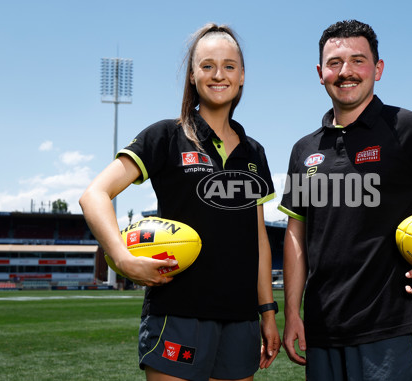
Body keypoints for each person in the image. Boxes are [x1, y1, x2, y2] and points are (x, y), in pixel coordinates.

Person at [278, 20, 412, 380]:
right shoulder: (304, 150)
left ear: (377, 68)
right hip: (323, 330)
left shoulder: (408, 127)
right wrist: (292, 313)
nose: (345, 72)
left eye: (358, 60)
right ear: (320, 73)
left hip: (391, 327)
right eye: (334, 63)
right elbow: (296, 234)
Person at [80, 23, 281, 381]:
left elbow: (259, 239)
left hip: (241, 318)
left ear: (242, 76)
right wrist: (124, 260)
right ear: (192, 75)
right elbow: (94, 194)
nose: (218, 74)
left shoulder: (255, 153)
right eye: (207, 66)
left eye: (229, 66)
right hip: (178, 313)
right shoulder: (165, 136)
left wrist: (267, 312)